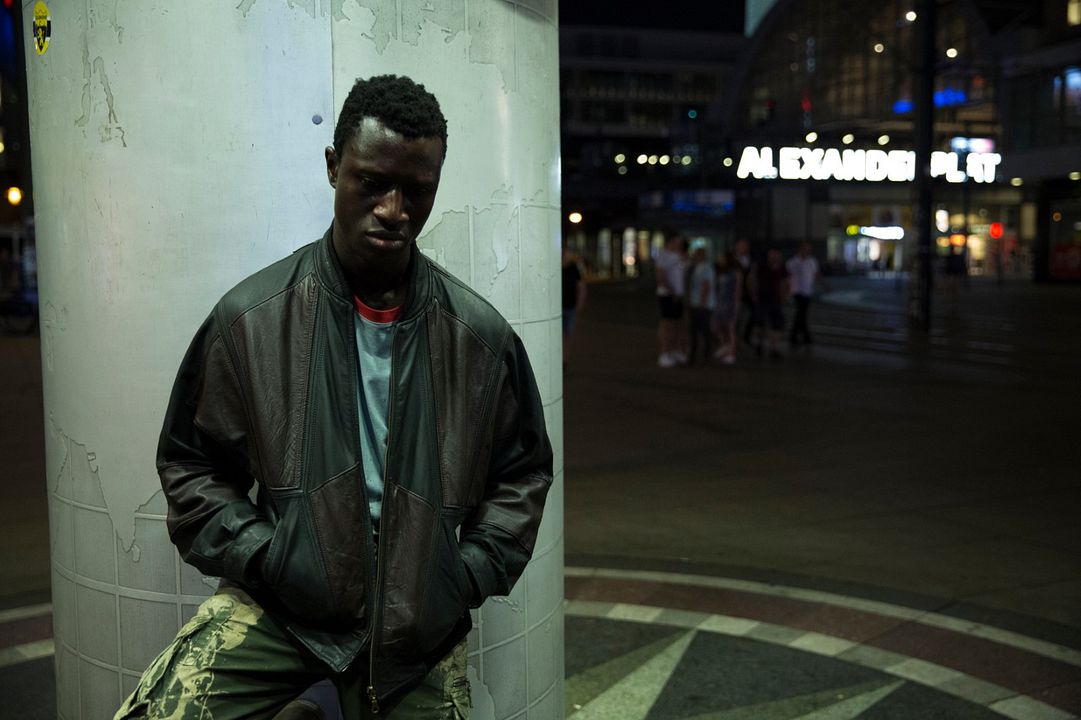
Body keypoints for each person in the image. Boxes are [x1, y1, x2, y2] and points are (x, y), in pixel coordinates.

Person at [115, 75, 553, 720]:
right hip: (288, 610)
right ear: (333, 168)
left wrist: (461, 578)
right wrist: (269, 557)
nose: (394, 209)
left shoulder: (480, 339)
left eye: (417, 191)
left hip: (414, 629)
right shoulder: (253, 319)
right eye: (373, 183)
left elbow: (521, 476)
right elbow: (191, 465)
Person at [785, 241, 827, 349]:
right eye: (805, 249)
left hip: (807, 291)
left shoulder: (812, 261)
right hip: (796, 290)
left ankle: (797, 336)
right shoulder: (793, 262)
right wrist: (786, 290)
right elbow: (787, 277)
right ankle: (802, 337)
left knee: (802, 314)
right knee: (800, 313)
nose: (807, 251)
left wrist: (824, 285)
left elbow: (816, 274)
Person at [750, 248, 789, 360]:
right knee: (760, 323)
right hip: (762, 298)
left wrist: (785, 295)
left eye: (777, 256)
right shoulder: (761, 266)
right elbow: (752, 279)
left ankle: (774, 348)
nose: (775, 258)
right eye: (772, 255)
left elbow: (786, 281)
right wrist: (753, 294)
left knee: (777, 324)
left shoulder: (782, 268)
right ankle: (759, 343)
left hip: (776, 299)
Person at [655, 232, 687, 368]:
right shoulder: (664, 256)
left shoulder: (677, 256)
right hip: (667, 294)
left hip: (677, 295)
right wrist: (672, 291)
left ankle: (675, 350)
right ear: (670, 242)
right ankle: (664, 353)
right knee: (667, 324)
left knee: (677, 323)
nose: (678, 245)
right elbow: (661, 275)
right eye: (676, 242)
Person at [686, 239, 715, 365]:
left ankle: (703, 353)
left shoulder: (705, 267)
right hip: (696, 302)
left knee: (702, 330)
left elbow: (706, 286)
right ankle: (698, 353)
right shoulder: (696, 267)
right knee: (698, 330)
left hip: (701, 304)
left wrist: (702, 303)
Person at [712, 252, 742, 364]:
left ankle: (731, 353)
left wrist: (736, 304)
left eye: (722, 258)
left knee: (730, 328)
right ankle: (725, 346)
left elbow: (738, 290)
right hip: (720, 302)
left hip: (730, 303)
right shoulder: (721, 272)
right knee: (717, 326)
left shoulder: (735, 273)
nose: (720, 260)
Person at [561, 247, 586, 366]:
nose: (565, 255)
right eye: (564, 253)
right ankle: (559, 358)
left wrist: (579, 303)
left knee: (568, 335)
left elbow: (581, 287)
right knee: (559, 335)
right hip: (558, 309)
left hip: (570, 308)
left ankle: (565, 359)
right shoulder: (556, 268)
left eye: (567, 253)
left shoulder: (574, 269)